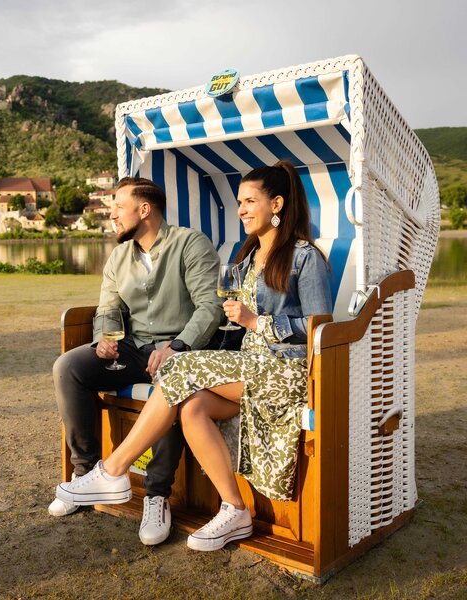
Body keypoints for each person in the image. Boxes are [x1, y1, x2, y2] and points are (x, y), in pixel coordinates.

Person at [55, 160, 332, 551]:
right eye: (239, 202)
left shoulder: (306, 257)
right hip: (251, 366)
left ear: (278, 204)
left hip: (285, 371)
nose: (241, 210)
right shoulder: (249, 256)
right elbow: (226, 308)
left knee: (180, 364)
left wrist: (259, 323)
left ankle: (113, 470)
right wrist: (239, 322)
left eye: (250, 201)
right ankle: (235, 510)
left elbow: (322, 328)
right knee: (191, 407)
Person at [50, 176, 223, 546]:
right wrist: (103, 341)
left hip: (183, 350)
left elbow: (210, 307)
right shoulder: (118, 256)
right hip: (134, 347)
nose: (111, 214)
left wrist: (177, 346)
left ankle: (157, 495)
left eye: (118, 206)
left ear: (144, 210)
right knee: (68, 367)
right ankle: (88, 474)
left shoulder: (190, 244)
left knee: (171, 379)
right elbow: (108, 309)